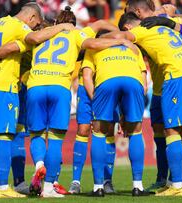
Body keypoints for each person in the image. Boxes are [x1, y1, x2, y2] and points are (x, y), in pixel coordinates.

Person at [104, 1, 182, 195]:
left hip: (176, 78)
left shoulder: (142, 29)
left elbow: (120, 35)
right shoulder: (165, 22)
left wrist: (97, 38)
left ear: (132, 18)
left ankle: (179, 184)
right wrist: (167, 16)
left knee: (172, 133)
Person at [26, 6, 133, 198]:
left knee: (37, 135)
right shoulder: (77, 34)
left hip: (35, 85)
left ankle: (40, 165)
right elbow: (94, 41)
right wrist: (121, 39)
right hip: (59, 86)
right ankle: (49, 187)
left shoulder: (40, 34)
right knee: (57, 139)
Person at [0, 2, 76, 198]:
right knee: (5, 136)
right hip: (3, 85)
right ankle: (4, 188)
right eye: (35, 23)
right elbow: (35, 37)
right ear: (31, 18)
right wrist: (63, 26)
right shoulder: (20, 27)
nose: (34, 27)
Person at [121, 2, 182, 193]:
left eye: (128, 12)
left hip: (174, 81)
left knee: (180, 133)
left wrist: (170, 18)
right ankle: (163, 178)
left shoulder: (153, 24)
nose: (126, 16)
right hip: (159, 88)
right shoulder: (152, 24)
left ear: (137, 11)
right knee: (160, 135)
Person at [82, 29, 148, 197]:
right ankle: (138, 186)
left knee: (98, 132)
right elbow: (143, 81)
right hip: (134, 82)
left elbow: (87, 77)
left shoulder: (94, 47)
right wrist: (129, 113)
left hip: (107, 81)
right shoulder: (132, 47)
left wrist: (95, 100)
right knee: (135, 131)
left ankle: (98, 187)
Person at [68, 19, 122, 195]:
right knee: (83, 130)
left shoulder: (114, 52)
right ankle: (76, 181)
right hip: (88, 92)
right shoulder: (91, 49)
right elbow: (86, 76)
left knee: (108, 131)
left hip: (107, 92)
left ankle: (107, 180)